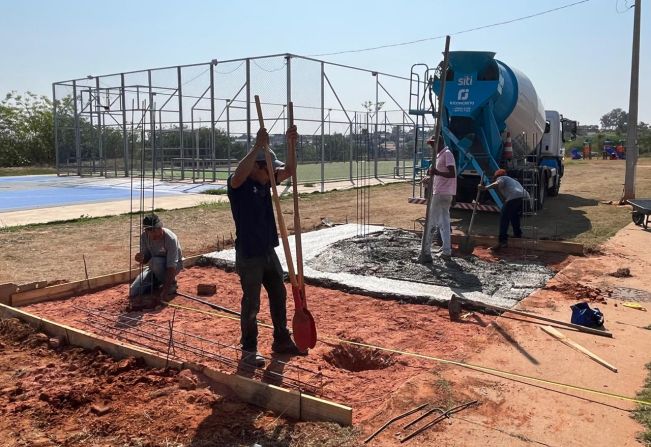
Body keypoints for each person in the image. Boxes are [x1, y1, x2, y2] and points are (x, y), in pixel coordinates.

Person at [227, 124, 304, 368]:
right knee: (252, 302)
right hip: (249, 254)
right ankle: (249, 349)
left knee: (279, 294)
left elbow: (290, 169)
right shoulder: (238, 185)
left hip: (268, 251)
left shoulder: (264, 183)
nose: (275, 171)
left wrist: (291, 143)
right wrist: (257, 147)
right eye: (271, 166)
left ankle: (281, 339)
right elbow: (239, 175)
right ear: (258, 167)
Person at [129, 214, 183, 310]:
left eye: (156, 230)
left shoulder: (170, 239)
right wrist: (140, 258)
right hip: (154, 267)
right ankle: (158, 281)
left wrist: (164, 293)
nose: (154, 234)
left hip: (173, 266)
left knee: (155, 262)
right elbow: (146, 259)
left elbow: (171, 266)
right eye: (151, 232)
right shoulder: (144, 237)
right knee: (134, 291)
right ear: (146, 231)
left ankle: (171, 284)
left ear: (160, 227)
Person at [419, 136, 456, 262]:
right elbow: (440, 174)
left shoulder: (446, 154)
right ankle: (446, 251)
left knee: (430, 222)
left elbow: (452, 174)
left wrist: (436, 173)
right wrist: (430, 177)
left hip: (441, 193)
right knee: (444, 223)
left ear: (439, 143)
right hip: (443, 193)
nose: (431, 148)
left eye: (432, 145)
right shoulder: (440, 155)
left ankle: (425, 253)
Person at [479, 169, 530, 251]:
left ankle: (502, 241)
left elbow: (498, 183)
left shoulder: (502, 178)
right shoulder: (512, 180)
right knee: (514, 216)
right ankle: (517, 234)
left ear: (497, 176)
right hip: (526, 198)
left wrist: (485, 188)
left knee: (504, 218)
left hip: (515, 197)